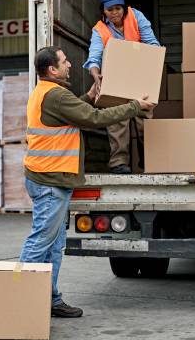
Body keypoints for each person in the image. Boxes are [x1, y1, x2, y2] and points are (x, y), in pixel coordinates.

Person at [20, 46, 155, 318]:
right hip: (50, 181)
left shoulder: (46, 92)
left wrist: (89, 98)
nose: (70, 64)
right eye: (65, 60)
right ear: (52, 70)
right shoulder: (56, 95)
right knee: (40, 243)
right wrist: (134, 107)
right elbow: (93, 119)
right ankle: (22, 305)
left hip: (48, 178)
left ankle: (50, 300)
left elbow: (71, 114)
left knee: (54, 245)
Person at [83, 0, 160, 174]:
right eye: (110, 9)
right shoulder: (99, 30)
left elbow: (153, 45)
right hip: (114, 79)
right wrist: (95, 73)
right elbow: (94, 56)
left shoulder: (136, 17)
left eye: (118, 8)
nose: (114, 13)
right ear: (104, 10)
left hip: (140, 75)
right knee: (117, 120)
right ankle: (119, 163)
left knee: (144, 121)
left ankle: (148, 158)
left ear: (124, 7)